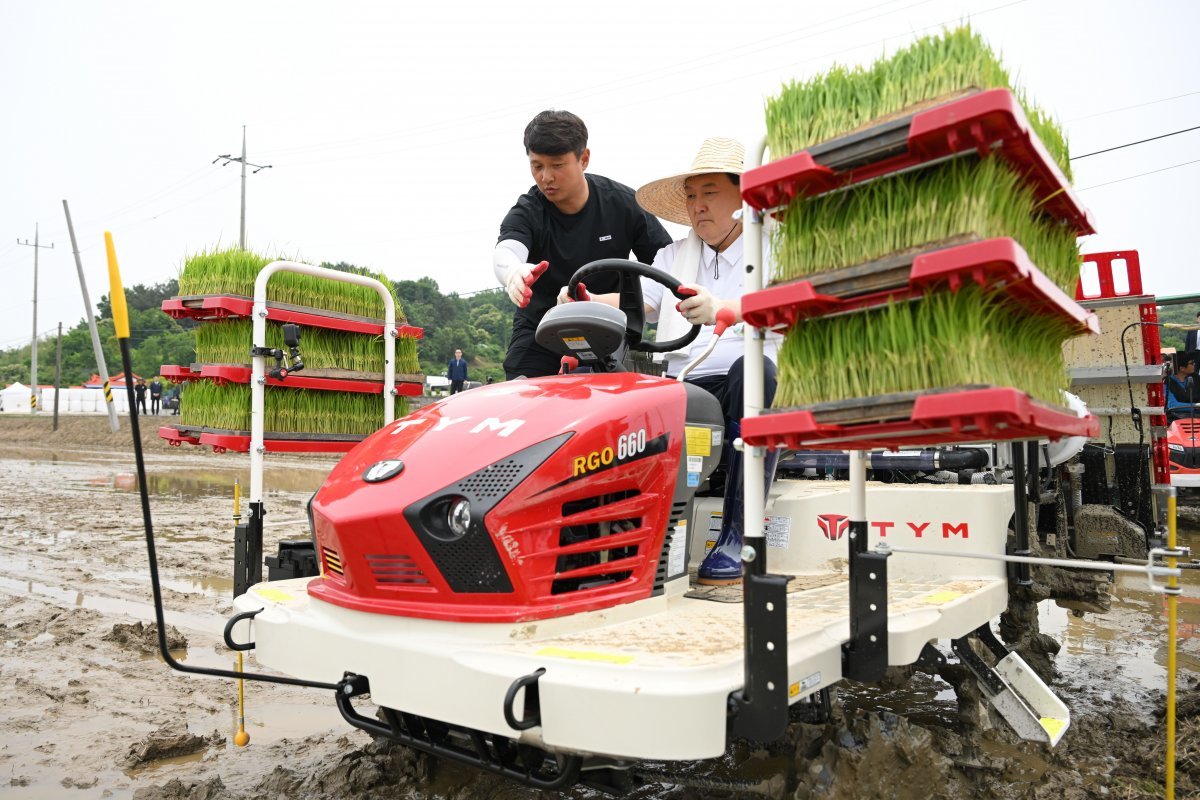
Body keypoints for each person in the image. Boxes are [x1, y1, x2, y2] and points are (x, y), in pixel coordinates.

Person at [559, 137, 781, 585]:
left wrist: (726, 308)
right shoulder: (672, 256)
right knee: (607, 386)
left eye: (710, 193)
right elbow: (640, 304)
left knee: (752, 372)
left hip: (760, 383)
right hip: (690, 386)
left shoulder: (779, 248)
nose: (698, 206)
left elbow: (792, 307)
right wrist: (584, 298)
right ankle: (595, 545)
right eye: (692, 196)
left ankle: (740, 537)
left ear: (746, 197)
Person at [493, 109, 672, 379]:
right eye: (537, 166)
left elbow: (667, 267)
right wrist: (512, 273)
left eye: (557, 165)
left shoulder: (624, 205)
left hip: (607, 328)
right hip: (541, 328)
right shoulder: (529, 210)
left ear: (583, 159)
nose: (546, 177)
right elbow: (507, 250)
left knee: (606, 402)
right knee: (522, 394)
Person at [1166, 351, 1197, 422]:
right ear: (1182, 368)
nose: (1194, 365)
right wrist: (1196, 406)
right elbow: (1172, 405)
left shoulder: (1196, 378)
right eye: (1191, 363)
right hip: (1176, 420)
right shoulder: (1166, 382)